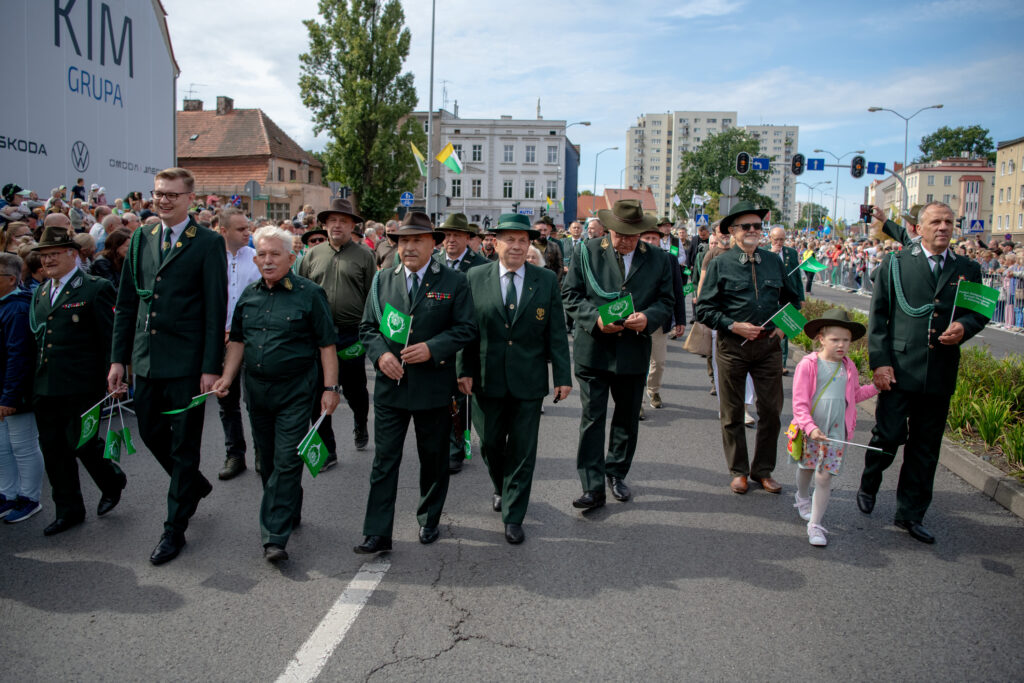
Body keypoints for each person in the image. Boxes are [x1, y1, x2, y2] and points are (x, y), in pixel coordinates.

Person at [108, 167, 228, 565]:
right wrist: (118, 359)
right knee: (149, 431)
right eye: (158, 193)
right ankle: (192, 483)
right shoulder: (142, 237)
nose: (162, 200)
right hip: (146, 359)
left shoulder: (207, 242)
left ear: (190, 199)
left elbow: (215, 308)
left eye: (171, 195)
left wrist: (210, 366)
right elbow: (128, 303)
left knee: (183, 444)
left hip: (187, 363)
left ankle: (174, 528)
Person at [856, 202, 988, 544]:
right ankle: (870, 481)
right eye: (936, 222)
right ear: (919, 228)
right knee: (888, 436)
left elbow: (979, 312)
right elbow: (879, 316)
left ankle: (910, 514)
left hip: (939, 372)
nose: (943, 227)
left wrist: (965, 326)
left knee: (925, 448)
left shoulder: (968, 268)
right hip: (899, 369)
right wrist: (879, 362)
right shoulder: (897, 262)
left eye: (948, 222)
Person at [213, 226, 339, 563]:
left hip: (296, 392)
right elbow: (237, 341)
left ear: (291, 258)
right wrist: (227, 378)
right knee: (266, 462)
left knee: (287, 460)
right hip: (257, 393)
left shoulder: (310, 294)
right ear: (255, 259)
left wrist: (330, 389)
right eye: (262, 255)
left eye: (275, 254)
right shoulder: (248, 295)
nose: (267, 261)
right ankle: (288, 507)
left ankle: (274, 537)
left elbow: (327, 345)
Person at [354, 212, 476, 554]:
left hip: (433, 387)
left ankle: (429, 518)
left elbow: (466, 328)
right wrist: (381, 355)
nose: (408, 247)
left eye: (417, 240)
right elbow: (368, 328)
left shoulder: (453, 281)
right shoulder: (382, 280)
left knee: (433, 459)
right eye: (403, 241)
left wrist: (432, 348)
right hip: (390, 387)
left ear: (433, 244)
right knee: (384, 462)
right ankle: (377, 532)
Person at [457, 214, 572, 544]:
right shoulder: (475, 277)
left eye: (523, 240)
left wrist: (562, 376)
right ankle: (501, 485)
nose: (517, 246)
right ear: (495, 243)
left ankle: (513, 514)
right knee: (491, 443)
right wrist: (463, 370)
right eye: (510, 239)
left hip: (528, 378)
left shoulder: (545, 280)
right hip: (486, 376)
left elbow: (556, 331)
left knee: (523, 448)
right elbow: (466, 329)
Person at [562, 199, 674, 510]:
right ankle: (592, 486)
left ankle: (616, 472)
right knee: (592, 418)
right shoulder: (586, 251)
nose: (625, 241)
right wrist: (595, 319)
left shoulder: (658, 258)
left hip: (633, 350)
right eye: (619, 235)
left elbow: (666, 301)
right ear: (608, 229)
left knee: (626, 419)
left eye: (632, 236)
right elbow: (570, 295)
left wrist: (648, 318)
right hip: (594, 350)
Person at [696, 200, 801, 495]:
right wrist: (733, 325)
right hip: (732, 347)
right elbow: (704, 310)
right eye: (747, 226)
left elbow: (794, 300)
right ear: (732, 231)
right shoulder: (720, 263)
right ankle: (739, 471)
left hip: (768, 347)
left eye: (758, 225)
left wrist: (783, 329)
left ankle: (763, 470)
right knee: (732, 413)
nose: (754, 230)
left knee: (771, 411)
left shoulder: (773, 261)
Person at [30, 227, 126, 534]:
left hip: (82, 383)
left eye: (54, 254)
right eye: (44, 256)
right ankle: (68, 510)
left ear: (73, 254)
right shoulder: (41, 292)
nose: (48, 261)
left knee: (83, 443)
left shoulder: (94, 288)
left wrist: (116, 372)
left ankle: (111, 479)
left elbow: (111, 335)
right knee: (53, 448)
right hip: (46, 384)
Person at [790, 310, 878, 546]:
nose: (841, 345)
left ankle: (815, 525)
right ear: (821, 338)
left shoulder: (848, 367)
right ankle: (802, 496)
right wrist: (809, 427)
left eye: (846, 340)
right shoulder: (809, 365)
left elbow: (854, 395)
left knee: (824, 476)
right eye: (835, 339)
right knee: (806, 468)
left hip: (836, 432)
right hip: (811, 429)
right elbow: (799, 403)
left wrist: (876, 388)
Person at [299, 198, 376, 467]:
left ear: (352, 226)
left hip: (350, 335)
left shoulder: (364, 256)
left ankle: (360, 421)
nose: (337, 225)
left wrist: (368, 332)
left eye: (343, 221)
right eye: (332, 221)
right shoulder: (312, 255)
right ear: (324, 224)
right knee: (319, 391)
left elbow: (372, 296)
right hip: (319, 336)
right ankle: (327, 450)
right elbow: (301, 294)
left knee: (355, 390)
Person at [434, 213, 489, 473]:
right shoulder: (434, 261)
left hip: (467, 340)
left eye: (457, 235)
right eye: (447, 235)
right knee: (439, 397)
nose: (451, 240)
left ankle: (457, 448)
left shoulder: (481, 265)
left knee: (460, 398)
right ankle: (443, 443)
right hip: (437, 339)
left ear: (468, 238)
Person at [216, 208, 261, 480]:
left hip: (251, 338)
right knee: (226, 399)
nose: (247, 233)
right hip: (219, 340)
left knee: (254, 399)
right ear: (224, 231)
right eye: (241, 229)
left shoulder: (255, 258)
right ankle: (234, 454)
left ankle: (261, 452)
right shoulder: (211, 259)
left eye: (248, 228)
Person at [0, 253, 45, 524]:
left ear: (10, 279)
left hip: (16, 392)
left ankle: (29, 497)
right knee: (3, 446)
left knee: (23, 445)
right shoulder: (7, 306)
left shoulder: (16, 308)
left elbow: (18, 357)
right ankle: (7, 494)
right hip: (5, 390)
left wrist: (9, 396)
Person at [640, 223, 686, 412]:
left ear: (660, 240)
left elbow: (677, 290)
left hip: (659, 319)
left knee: (658, 361)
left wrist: (680, 319)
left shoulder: (669, 259)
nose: (650, 241)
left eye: (654, 238)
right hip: (635, 319)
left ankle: (653, 390)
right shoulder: (632, 258)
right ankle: (637, 401)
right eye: (646, 238)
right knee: (638, 362)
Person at [768, 227, 805, 375]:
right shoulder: (763, 251)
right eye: (776, 239)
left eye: (782, 239)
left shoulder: (792, 253)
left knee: (785, 329)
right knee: (770, 330)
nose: (779, 242)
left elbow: (797, 277)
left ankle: (781, 364)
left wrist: (801, 297)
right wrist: (771, 254)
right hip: (770, 297)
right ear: (770, 239)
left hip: (787, 296)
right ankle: (769, 360)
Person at [533, 217, 564, 283]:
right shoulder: (528, 246)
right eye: (540, 230)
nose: (543, 232)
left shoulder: (554, 246)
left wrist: (554, 282)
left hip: (548, 282)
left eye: (545, 230)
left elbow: (560, 267)